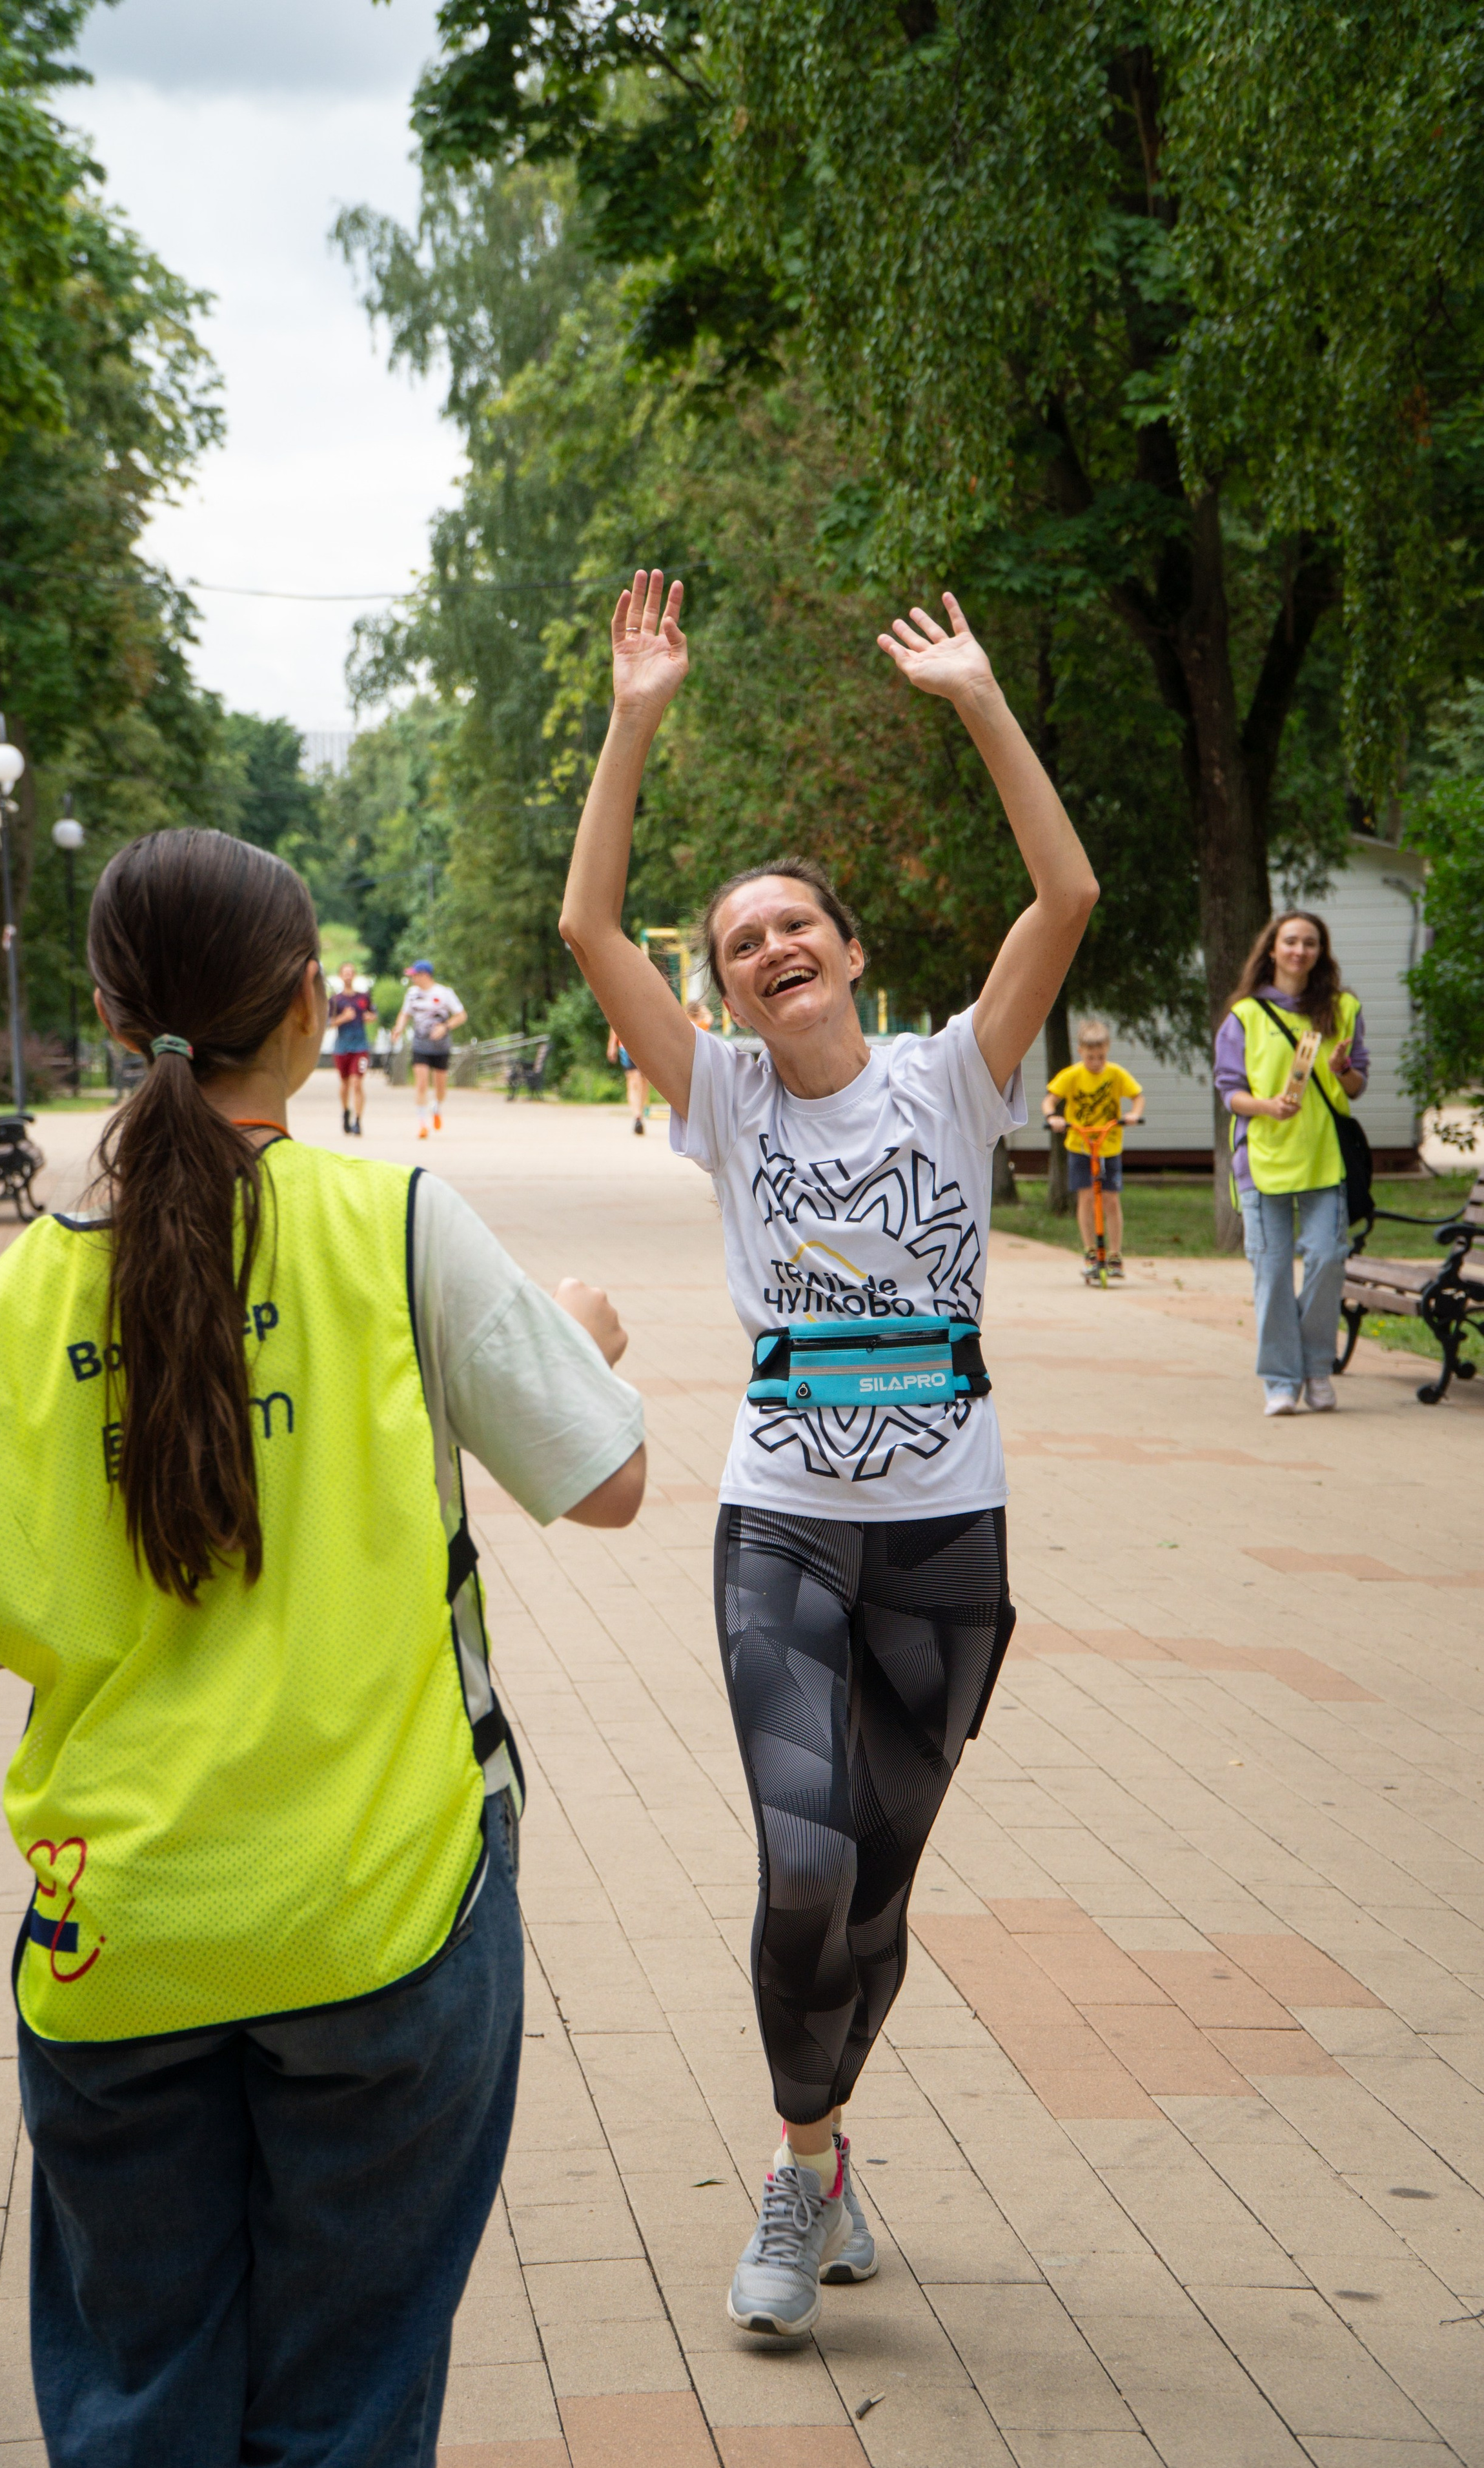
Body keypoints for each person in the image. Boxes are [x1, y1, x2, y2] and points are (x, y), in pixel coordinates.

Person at [0, 829, 647, 2468]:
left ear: (113, 1013)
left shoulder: (15, 1297)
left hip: (118, 1929)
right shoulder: (394, 1222)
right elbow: (604, 1480)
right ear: (319, 1006)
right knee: (339, 2412)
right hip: (380, 1917)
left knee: (136, 2401)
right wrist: (573, 1332)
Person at [559, 568, 1098, 2340]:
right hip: (782, 1530)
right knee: (804, 1869)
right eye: (739, 942)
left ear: (851, 953)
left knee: (875, 1891)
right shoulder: (720, 1102)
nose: (771, 947)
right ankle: (798, 2180)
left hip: (949, 1542)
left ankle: (831, 2152)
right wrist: (634, 720)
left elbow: (1068, 890)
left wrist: (979, 699)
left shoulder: (959, 1076)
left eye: (798, 925)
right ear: (725, 991)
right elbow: (587, 931)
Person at [1215, 910, 1367, 1416]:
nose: (1300, 951)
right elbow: (1230, 1092)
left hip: (1326, 1160)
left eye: (1310, 943)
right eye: (1290, 942)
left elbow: (1357, 1087)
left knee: (1327, 1257)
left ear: (1321, 953)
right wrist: (1268, 1106)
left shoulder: (1343, 1008)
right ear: (1272, 950)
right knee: (1274, 1270)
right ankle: (1282, 1379)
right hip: (1262, 1161)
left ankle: (1316, 1366)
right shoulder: (1245, 1015)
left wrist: (1343, 1069)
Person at [1042, 1019, 1145, 1278]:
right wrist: (1052, 1117)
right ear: (1081, 1052)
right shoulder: (1073, 1075)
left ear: (1107, 1050)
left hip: (1109, 1145)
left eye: (1100, 1057)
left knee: (1111, 1199)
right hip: (1080, 1144)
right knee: (1086, 1197)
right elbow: (1049, 1100)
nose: (1096, 1063)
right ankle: (1090, 1252)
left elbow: (1138, 1097)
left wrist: (1134, 1114)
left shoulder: (1116, 1074)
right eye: (1091, 1057)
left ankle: (1115, 1255)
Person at [393, 960, 467, 1140]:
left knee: (441, 1087)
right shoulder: (412, 994)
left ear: (425, 975)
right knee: (421, 1084)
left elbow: (461, 1015)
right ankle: (422, 1124)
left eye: (414, 975)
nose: (412, 978)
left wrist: (445, 1027)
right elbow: (405, 1013)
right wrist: (399, 1028)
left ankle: (436, 1107)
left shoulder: (444, 993)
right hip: (420, 1045)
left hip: (441, 1046)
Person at [329, 958, 374, 1136]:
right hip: (342, 1047)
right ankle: (346, 1111)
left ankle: (358, 1120)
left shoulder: (363, 998)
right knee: (345, 1083)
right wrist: (343, 1018)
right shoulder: (335, 1000)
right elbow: (328, 1023)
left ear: (354, 975)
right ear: (341, 976)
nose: (348, 975)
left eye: (351, 972)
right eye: (345, 972)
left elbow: (372, 1013)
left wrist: (370, 1017)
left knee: (357, 1083)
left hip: (360, 1046)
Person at [606, 1023, 649, 1133]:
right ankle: (637, 1117)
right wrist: (612, 1043)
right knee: (634, 1080)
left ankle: (640, 1113)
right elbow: (615, 1019)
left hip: (645, 1044)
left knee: (644, 1081)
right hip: (626, 1046)